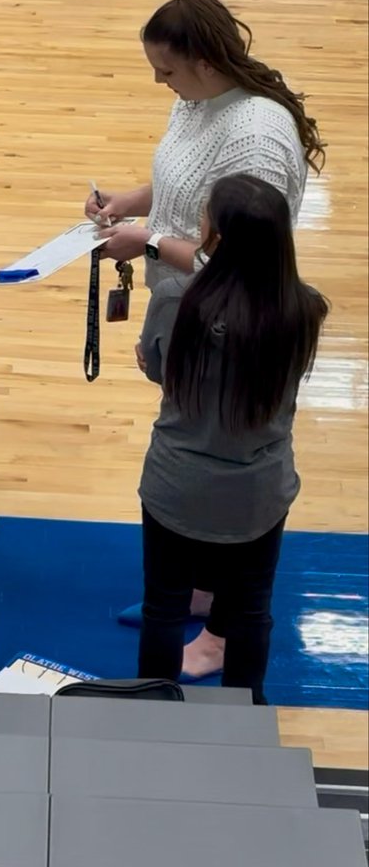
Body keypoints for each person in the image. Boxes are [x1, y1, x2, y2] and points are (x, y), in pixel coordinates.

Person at [84, 0, 325, 677]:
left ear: (202, 59)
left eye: (165, 70)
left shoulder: (253, 137)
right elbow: (186, 182)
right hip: (188, 312)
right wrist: (128, 205)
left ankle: (220, 630)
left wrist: (148, 243)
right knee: (209, 443)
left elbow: (237, 256)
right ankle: (201, 583)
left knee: (221, 443)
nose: (160, 83)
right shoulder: (198, 100)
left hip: (233, 324)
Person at [135, 174, 328, 705]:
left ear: (216, 236)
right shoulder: (305, 309)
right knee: (251, 611)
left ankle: (151, 710)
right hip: (257, 492)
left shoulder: (176, 297)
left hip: (178, 485)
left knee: (163, 608)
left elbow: (158, 370)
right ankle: (247, 714)